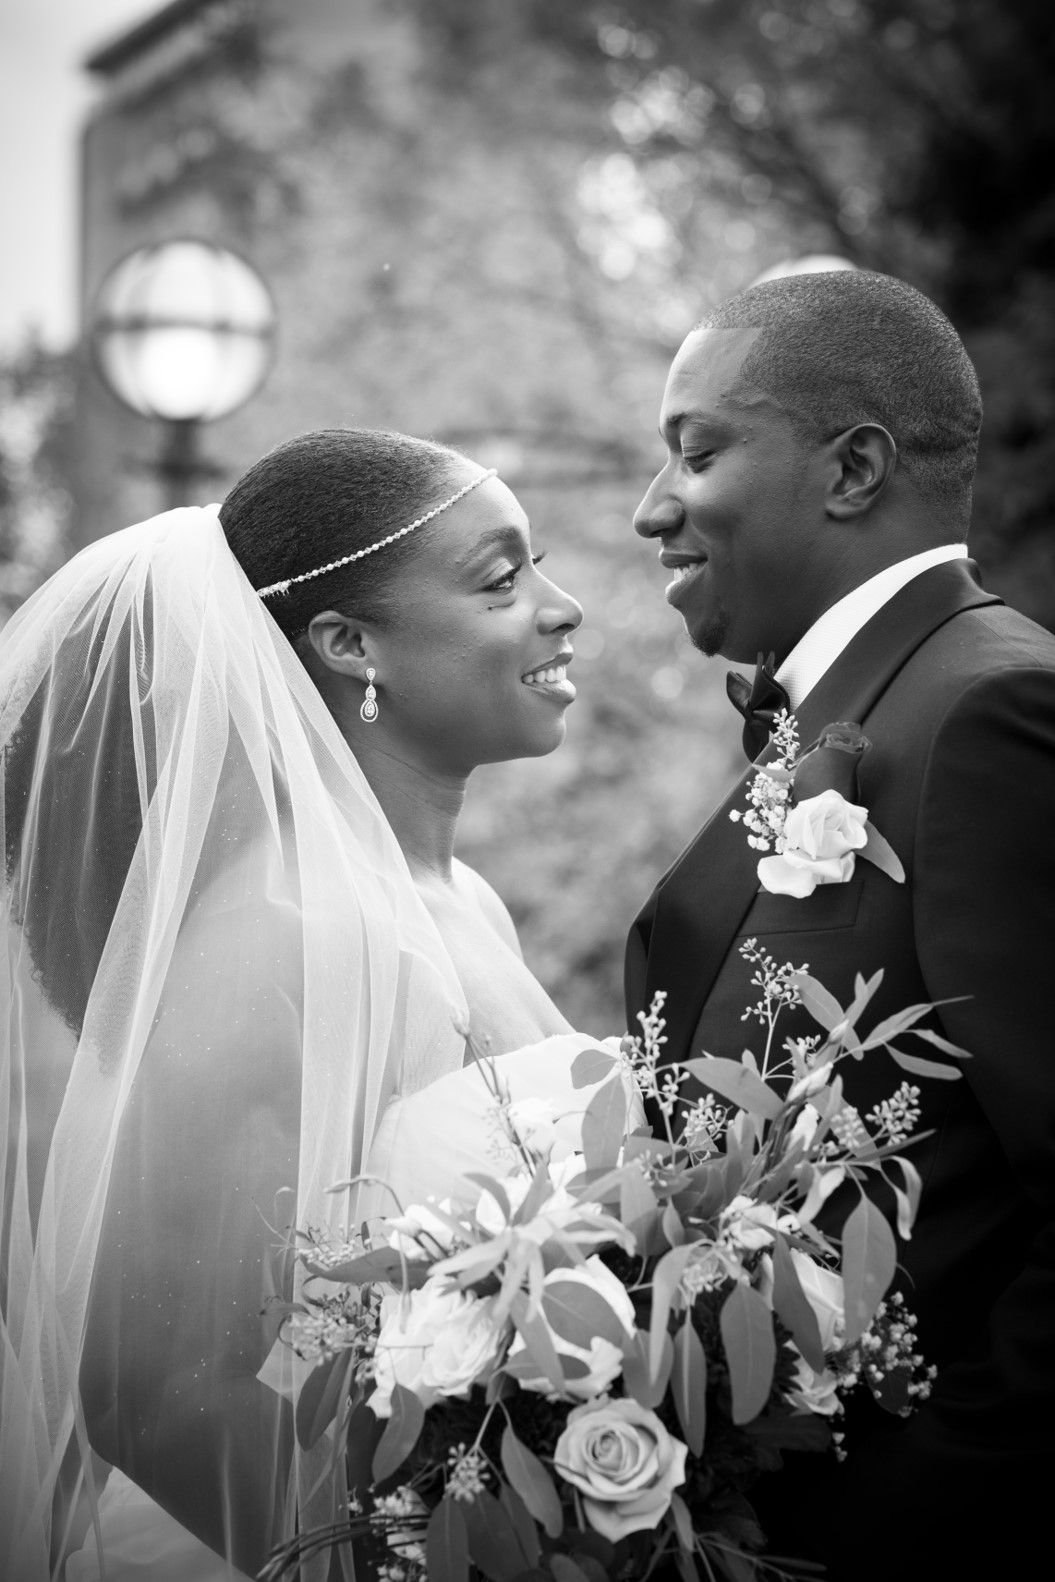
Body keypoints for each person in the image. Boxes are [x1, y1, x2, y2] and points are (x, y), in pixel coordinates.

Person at [0, 427, 614, 1582]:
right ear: (347, 643)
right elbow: (143, 1378)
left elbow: (335, 1309)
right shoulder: (291, 930)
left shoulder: (463, 900)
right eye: (502, 578)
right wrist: (406, 1559)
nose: (561, 605)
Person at [624, 270, 1055, 1580]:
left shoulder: (989, 714)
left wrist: (899, 1522)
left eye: (694, 452)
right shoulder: (853, 711)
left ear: (852, 468)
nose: (651, 509)